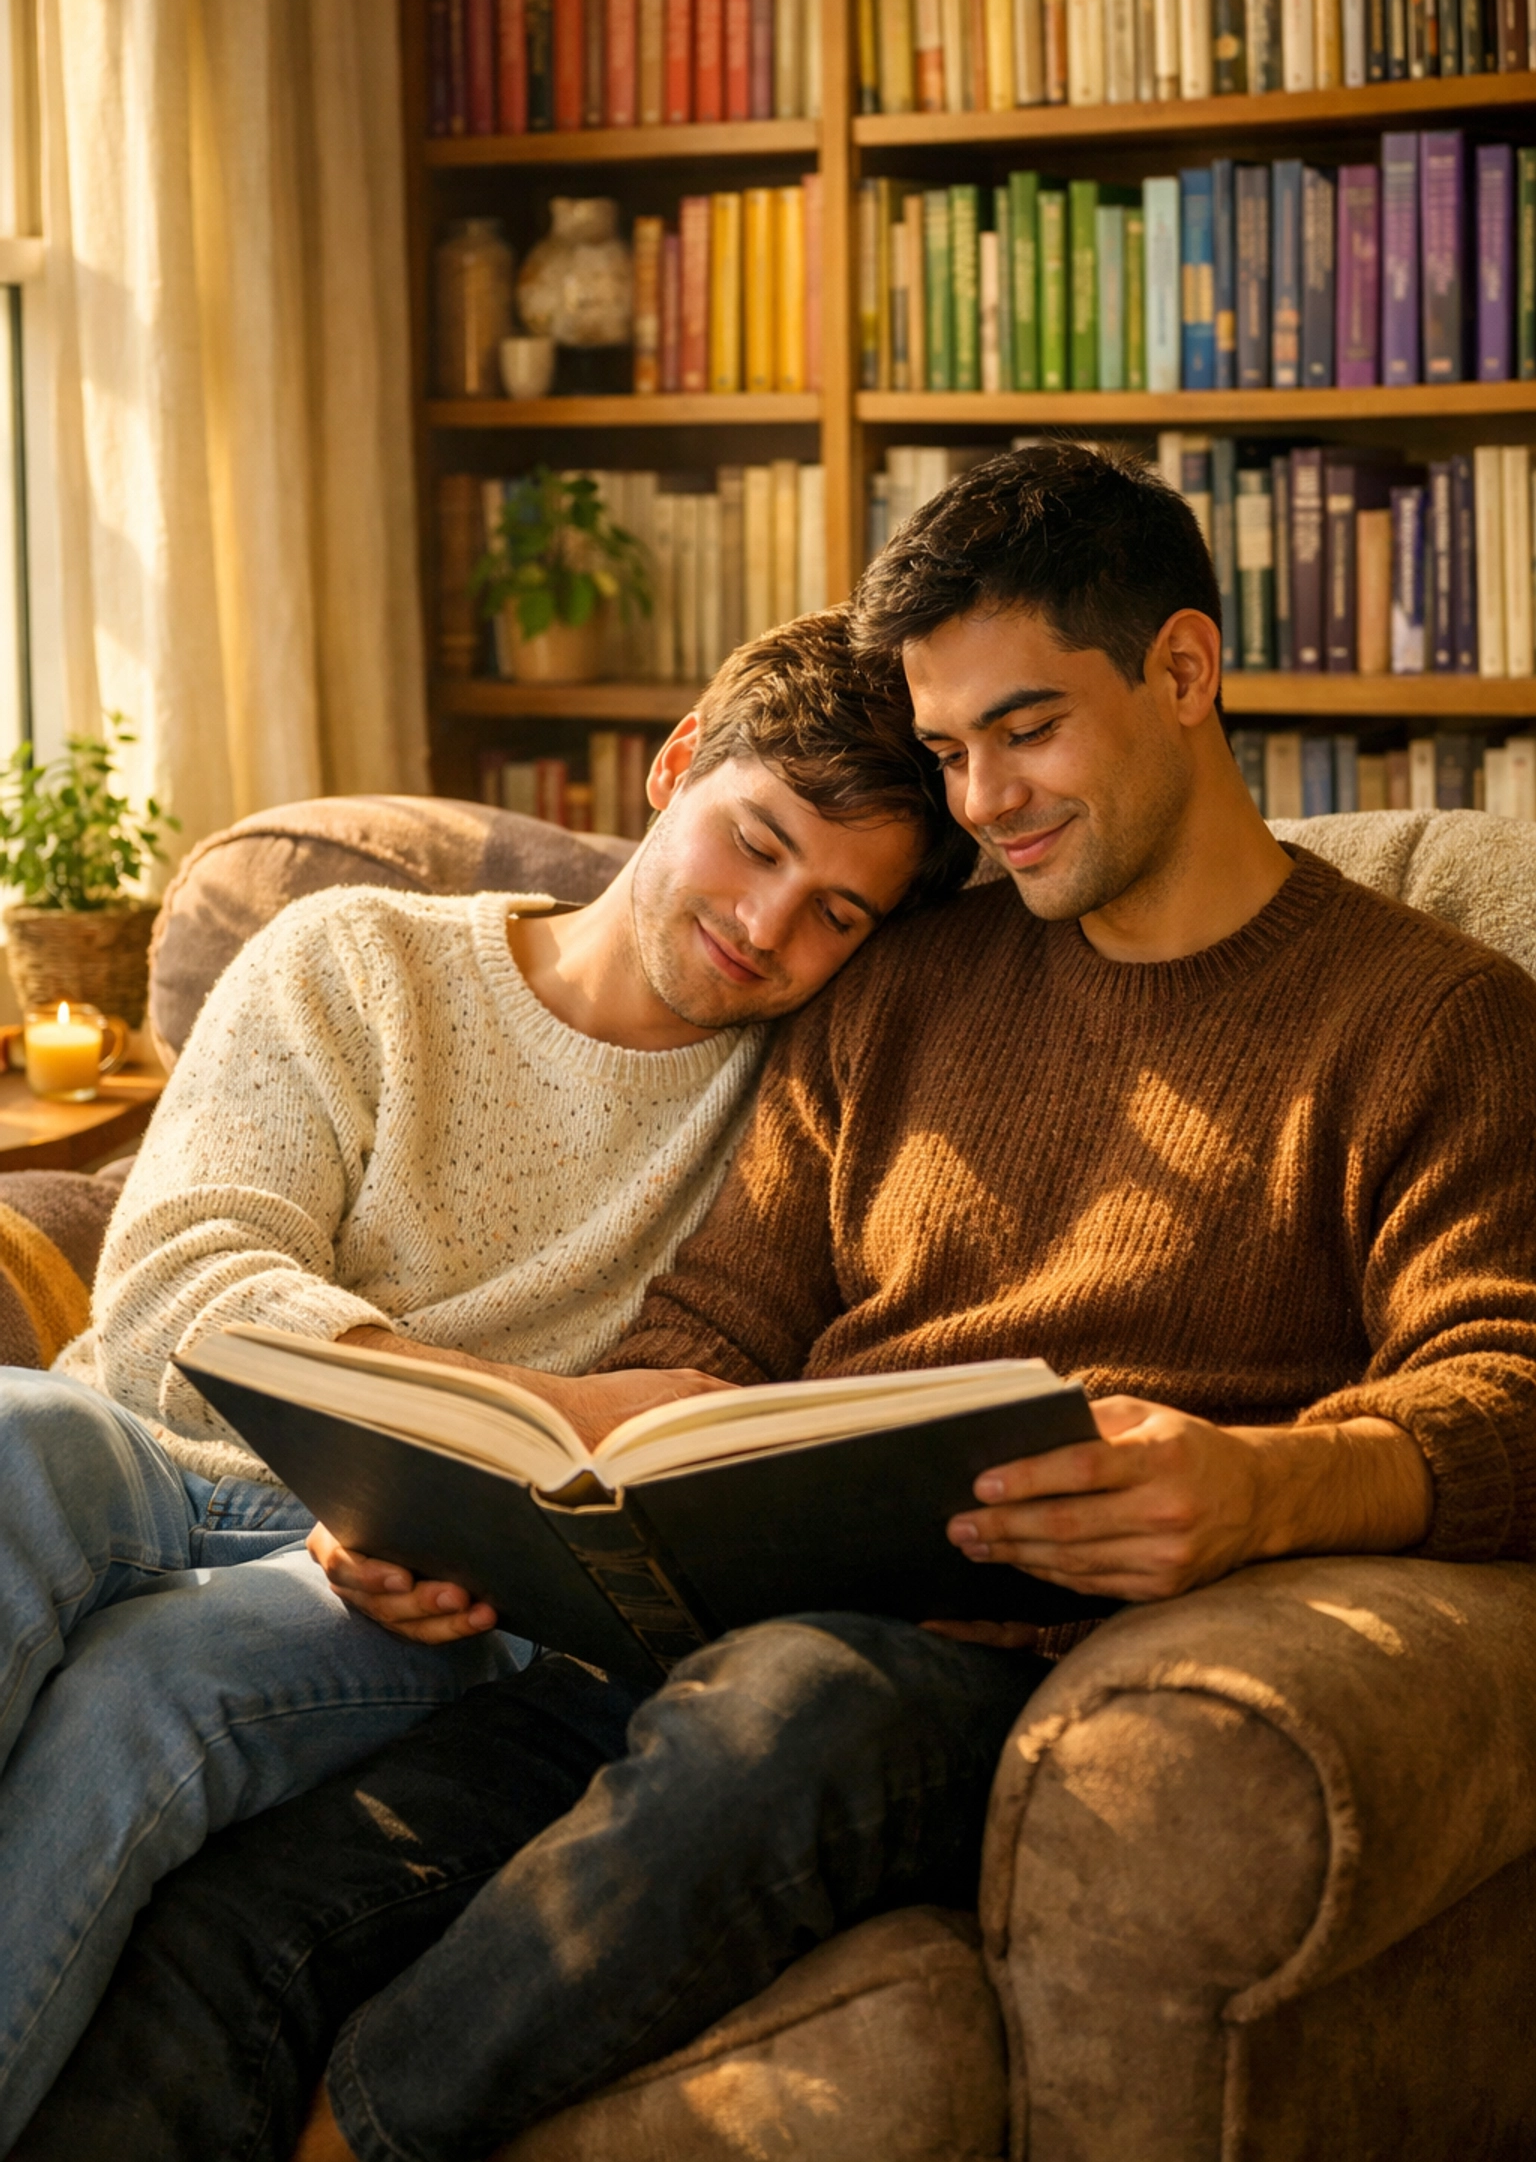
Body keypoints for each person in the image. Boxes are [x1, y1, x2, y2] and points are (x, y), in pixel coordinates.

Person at [22, 443, 1536, 2162]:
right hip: (682, 1621)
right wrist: (450, 1495)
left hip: (983, 1667)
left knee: (791, 1707)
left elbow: (1510, 1379)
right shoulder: (903, 982)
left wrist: (1271, 1482)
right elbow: (714, 1345)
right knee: (236, 1924)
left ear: (1183, 670)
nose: (985, 803)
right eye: (953, 753)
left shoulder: (1434, 1024)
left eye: (1025, 730)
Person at [0, 610, 970, 2152]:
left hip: (433, 1586)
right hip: (162, 1455)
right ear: (673, 768)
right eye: (757, 842)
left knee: (148, 1694)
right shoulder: (352, 956)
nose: (772, 927)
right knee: (13, 1429)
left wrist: (433, 1482)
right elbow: (176, 1283)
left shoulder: (792, 1102)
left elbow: (691, 1440)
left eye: (840, 914)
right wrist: (431, 1423)